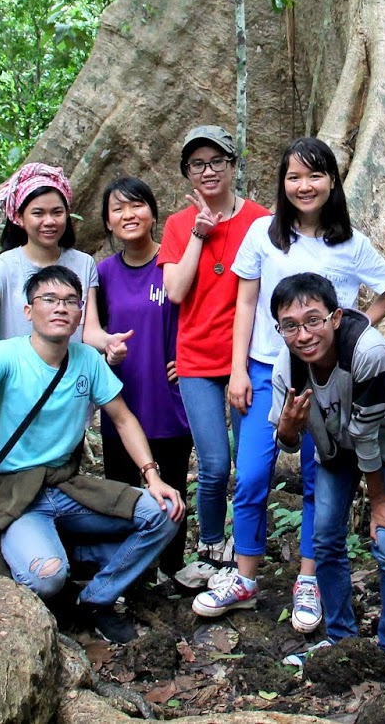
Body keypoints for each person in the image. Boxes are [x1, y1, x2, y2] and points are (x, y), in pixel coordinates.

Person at [0, 264, 184, 644]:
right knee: (47, 578)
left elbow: (124, 418)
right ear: (29, 311)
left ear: (81, 312)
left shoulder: (87, 360)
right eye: (49, 300)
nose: (61, 308)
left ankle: (96, 598)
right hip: (16, 495)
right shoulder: (5, 355)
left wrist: (153, 476)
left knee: (165, 514)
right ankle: (56, 556)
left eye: (70, 301)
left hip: (66, 486)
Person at [194, 137, 385, 631]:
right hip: (267, 370)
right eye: (294, 177)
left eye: (314, 176)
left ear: (331, 181)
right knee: (249, 475)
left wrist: (357, 327)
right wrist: (239, 369)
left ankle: (308, 578)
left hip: (328, 378)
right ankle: (244, 575)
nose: (304, 186)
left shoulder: (350, 244)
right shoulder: (263, 235)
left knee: (318, 478)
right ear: (282, 184)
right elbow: (245, 303)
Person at [265, 272, 385, 671]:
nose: (303, 335)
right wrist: (287, 428)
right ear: (279, 330)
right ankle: (340, 637)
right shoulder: (288, 367)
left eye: (313, 320)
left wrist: (380, 502)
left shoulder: (368, 352)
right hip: (336, 447)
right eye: (290, 326)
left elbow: (368, 436)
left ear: (335, 317)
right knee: (325, 536)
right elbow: (285, 439)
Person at [158, 125, 271, 584]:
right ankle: (209, 549)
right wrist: (200, 235)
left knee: (249, 468)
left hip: (250, 358)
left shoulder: (261, 221)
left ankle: (246, 552)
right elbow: (176, 292)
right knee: (213, 464)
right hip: (198, 359)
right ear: (188, 173)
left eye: (216, 162)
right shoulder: (178, 224)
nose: (207, 172)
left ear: (232, 165)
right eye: (197, 165)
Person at [93, 176, 194, 581]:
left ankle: (172, 568)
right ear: (108, 222)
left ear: (153, 212)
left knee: (173, 490)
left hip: (168, 398)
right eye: (117, 209)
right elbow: (91, 331)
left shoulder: (174, 262)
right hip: (121, 398)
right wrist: (107, 346)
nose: (128, 215)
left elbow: (199, 318)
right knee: (121, 492)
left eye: (136, 205)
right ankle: (132, 574)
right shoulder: (102, 273)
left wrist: (188, 359)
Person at [0, 162, 125, 359]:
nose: (49, 221)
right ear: (19, 218)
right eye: (38, 213)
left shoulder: (84, 264)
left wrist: (108, 343)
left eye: (57, 212)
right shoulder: (3, 266)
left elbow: (90, 330)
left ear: (67, 214)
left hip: (67, 378)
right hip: (16, 379)